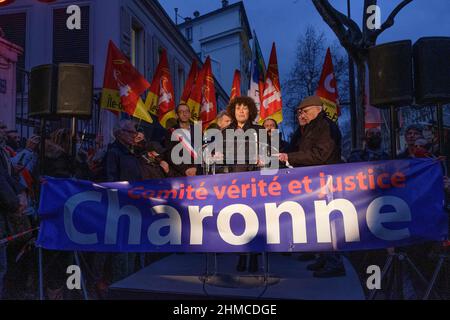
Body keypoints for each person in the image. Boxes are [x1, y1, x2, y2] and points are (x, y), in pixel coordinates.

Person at [278, 96, 345, 278]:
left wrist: (289, 158)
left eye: (305, 111)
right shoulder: (305, 130)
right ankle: (323, 256)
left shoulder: (325, 127)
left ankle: (335, 262)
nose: (301, 115)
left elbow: (320, 155)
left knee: (328, 222)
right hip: (312, 182)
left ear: (318, 109)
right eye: (299, 112)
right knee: (318, 221)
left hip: (325, 182)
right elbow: (294, 149)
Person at [224, 96, 266, 273]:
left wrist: (263, 159)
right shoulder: (225, 132)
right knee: (239, 218)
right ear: (233, 111)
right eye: (238, 108)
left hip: (255, 179)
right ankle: (241, 255)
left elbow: (267, 153)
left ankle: (255, 256)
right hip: (234, 180)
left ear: (250, 111)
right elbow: (221, 154)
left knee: (255, 219)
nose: (241, 111)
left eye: (244, 108)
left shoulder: (259, 129)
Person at [164, 104, 201, 177]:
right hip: (180, 173)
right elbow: (169, 154)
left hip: (197, 172)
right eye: (181, 112)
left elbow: (201, 150)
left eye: (186, 111)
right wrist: (185, 169)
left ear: (190, 114)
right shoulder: (171, 132)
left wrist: (196, 168)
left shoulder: (197, 130)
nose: (184, 114)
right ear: (177, 115)